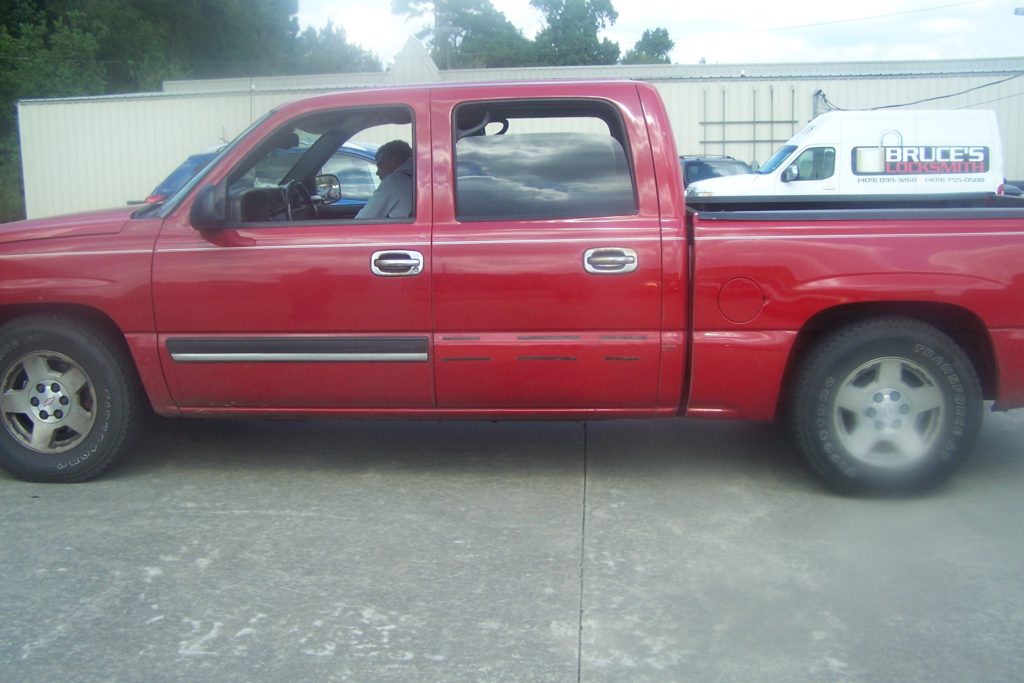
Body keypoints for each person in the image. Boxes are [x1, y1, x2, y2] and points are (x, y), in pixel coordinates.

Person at [354, 140, 414, 219]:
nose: (377, 172)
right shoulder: (416, 178)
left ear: (396, 160)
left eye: (380, 165)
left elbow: (362, 220)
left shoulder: (394, 182)